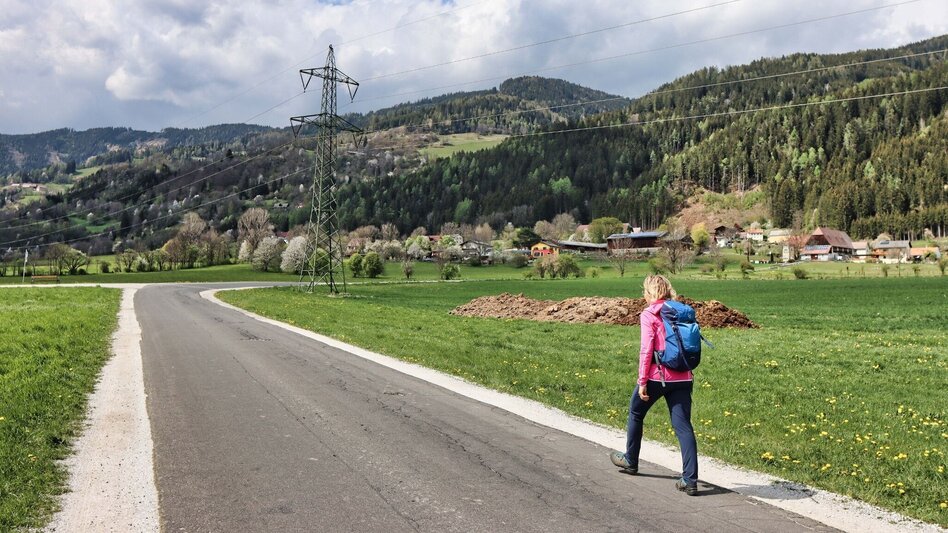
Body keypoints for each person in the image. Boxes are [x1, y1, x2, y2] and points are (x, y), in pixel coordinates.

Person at [610, 274, 699, 495]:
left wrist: (642, 382)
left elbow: (646, 350)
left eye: (645, 291)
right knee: (683, 426)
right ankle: (690, 479)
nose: (643, 295)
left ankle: (631, 460)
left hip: (656, 377)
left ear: (650, 293)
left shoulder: (649, 314)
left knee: (636, 412)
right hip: (683, 377)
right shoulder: (682, 311)